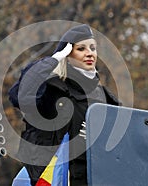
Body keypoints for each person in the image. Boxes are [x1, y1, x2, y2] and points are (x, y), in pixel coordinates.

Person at [8, 24, 120, 186]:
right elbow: (20, 95)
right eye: (81, 49)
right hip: (53, 178)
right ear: (68, 54)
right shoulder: (51, 90)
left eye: (93, 48)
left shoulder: (106, 99)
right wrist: (55, 59)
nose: (89, 53)